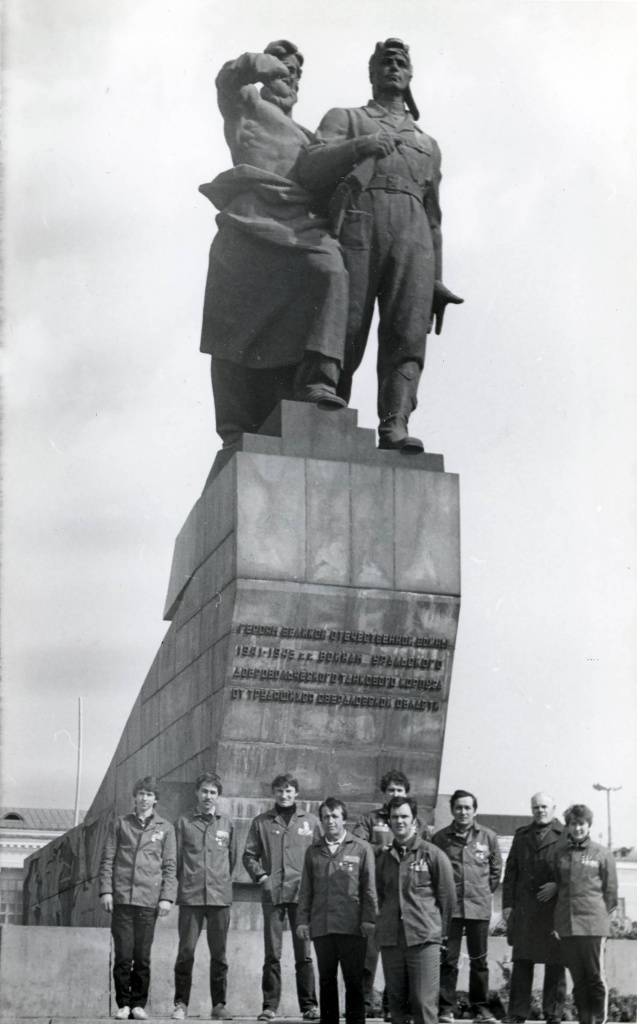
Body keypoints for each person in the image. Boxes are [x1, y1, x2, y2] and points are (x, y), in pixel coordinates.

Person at [297, 38, 463, 453]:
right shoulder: (347, 118)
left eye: (401, 61)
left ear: (409, 77)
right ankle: (324, 402)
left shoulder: (428, 144)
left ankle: (395, 424)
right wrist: (359, 146)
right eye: (384, 61)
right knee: (346, 321)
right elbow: (310, 163)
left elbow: (434, 215)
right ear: (371, 74)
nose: (392, 65)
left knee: (406, 332)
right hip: (359, 221)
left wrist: (437, 279)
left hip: (414, 237)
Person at [199, 40, 349, 449]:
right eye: (286, 68)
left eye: (297, 73)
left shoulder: (309, 137)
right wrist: (257, 63)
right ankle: (234, 428)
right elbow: (227, 79)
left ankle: (318, 383)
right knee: (232, 328)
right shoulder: (247, 103)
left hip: (299, 227)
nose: (292, 76)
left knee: (330, 269)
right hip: (250, 220)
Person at [243, 772, 320, 1021]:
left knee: (304, 953)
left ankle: (309, 1005)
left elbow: (320, 855)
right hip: (274, 894)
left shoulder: (310, 821)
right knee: (272, 953)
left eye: (288, 791)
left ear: (296, 793)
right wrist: (262, 876)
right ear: (273, 793)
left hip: (302, 895)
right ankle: (269, 1006)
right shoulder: (262, 822)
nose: (284, 795)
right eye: (279, 791)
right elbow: (249, 855)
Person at [98, 776, 177, 1021]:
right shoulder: (120, 824)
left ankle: (138, 1004)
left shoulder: (165, 828)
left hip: (148, 900)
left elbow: (170, 865)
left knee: (142, 955)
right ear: (135, 796)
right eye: (141, 793)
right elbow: (107, 859)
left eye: (149, 795)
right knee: (123, 954)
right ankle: (122, 1004)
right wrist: (106, 891)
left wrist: (166, 898)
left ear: (156, 800)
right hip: (122, 898)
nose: (144, 799)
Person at [296, 797, 377, 1024]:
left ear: (344, 820)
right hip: (323, 927)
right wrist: (302, 921)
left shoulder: (361, 849)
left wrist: (369, 919)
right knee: (326, 980)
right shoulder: (313, 851)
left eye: (334, 816)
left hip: (352, 927)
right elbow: (306, 890)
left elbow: (369, 888)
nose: (329, 821)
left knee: (353, 981)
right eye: (325, 817)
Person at [376, 796, 456, 1024]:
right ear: (389, 822)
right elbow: (380, 896)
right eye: (394, 817)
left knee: (423, 1004)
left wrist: (441, 935)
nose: (399, 821)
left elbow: (447, 898)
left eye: (404, 816)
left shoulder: (433, 854)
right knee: (397, 1007)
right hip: (392, 941)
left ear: (414, 821)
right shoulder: (384, 859)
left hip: (423, 939)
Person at [432, 790, 502, 1023]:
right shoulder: (441, 838)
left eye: (467, 808)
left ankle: (480, 1008)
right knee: (448, 960)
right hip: (450, 909)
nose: (463, 812)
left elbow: (495, 869)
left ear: (475, 810)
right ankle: (446, 1008)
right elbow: (435, 872)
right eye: (459, 807)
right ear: (452, 810)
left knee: (479, 960)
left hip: (478, 908)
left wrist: (481, 892)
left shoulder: (488, 837)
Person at [171, 772, 236, 1021]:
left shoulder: (227, 824)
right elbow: (177, 860)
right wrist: (189, 881)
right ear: (196, 793)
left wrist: (218, 882)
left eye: (213, 792)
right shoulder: (184, 822)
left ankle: (219, 1004)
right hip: (191, 897)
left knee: (219, 954)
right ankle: (181, 1004)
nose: (208, 796)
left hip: (220, 898)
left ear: (218, 796)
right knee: (186, 951)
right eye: (204, 791)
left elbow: (230, 860)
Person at [352, 769, 417, 1018]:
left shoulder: (414, 820)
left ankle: (393, 1008)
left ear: (406, 793)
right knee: (368, 957)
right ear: (384, 793)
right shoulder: (369, 819)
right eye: (391, 790)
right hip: (375, 895)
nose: (395, 794)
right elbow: (357, 845)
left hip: (403, 897)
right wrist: (383, 848)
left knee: (397, 958)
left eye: (400, 790)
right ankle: (364, 1005)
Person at [549, 804, 618, 1024]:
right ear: (567, 826)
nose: (577, 828)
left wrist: (600, 918)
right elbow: (559, 886)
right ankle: (585, 1020)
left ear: (588, 825)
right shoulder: (560, 853)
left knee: (595, 978)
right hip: (568, 926)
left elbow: (610, 892)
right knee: (578, 980)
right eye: (572, 824)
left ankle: (598, 1020)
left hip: (593, 926)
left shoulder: (602, 853)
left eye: (581, 824)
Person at [501, 792, 567, 1024]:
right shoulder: (521, 836)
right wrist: (507, 905)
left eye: (545, 807)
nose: (540, 810)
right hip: (525, 910)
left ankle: (553, 1013)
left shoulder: (566, 835)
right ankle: (517, 1013)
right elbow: (511, 873)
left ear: (554, 808)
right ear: (532, 809)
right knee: (522, 962)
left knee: (556, 963)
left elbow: (575, 871)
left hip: (553, 910)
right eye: (536, 807)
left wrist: (557, 886)